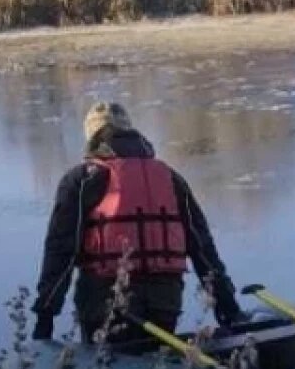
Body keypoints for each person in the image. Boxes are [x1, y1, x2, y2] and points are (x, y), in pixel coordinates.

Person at [32, 102, 245, 347]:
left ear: (91, 135)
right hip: (164, 300)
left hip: (107, 299)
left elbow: (61, 251)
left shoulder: (81, 180)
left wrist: (45, 316)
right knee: (155, 359)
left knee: (107, 366)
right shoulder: (170, 177)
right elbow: (202, 248)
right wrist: (228, 307)